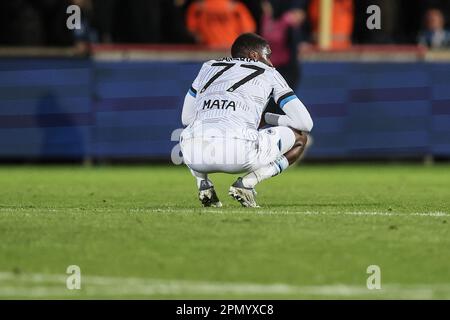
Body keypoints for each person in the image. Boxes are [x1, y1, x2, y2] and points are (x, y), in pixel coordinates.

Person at [179, 33, 313, 208]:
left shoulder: (207, 67)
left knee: (191, 131)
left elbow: (186, 118)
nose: (271, 61)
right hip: (239, 154)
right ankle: (247, 184)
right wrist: (266, 117)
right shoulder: (269, 72)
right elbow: (306, 123)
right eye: (268, 55)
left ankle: (204, 185)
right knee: (300, 138)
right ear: (254, 55)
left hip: (194, 156)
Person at [186, 0, 256, 48]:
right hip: (230, 48)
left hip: (208, 49)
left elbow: (192, 29)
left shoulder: (198, 6)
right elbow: (248, 30)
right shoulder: (235, 7)